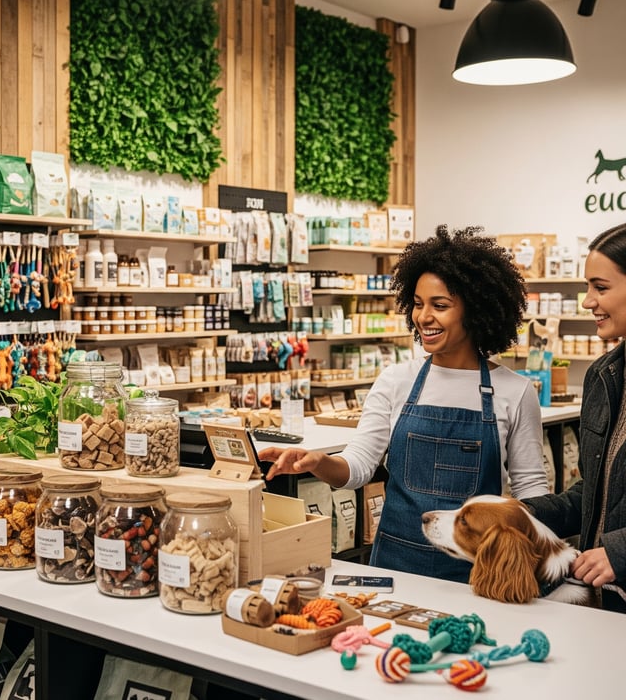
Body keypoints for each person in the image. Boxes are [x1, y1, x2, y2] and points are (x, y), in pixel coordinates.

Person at [259, 225, 548, 582]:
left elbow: (532, 493)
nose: (423, 317)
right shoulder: (397, 380)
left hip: (478, 574)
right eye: (417, 303)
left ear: (476, 310)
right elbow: (359, 466)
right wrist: (317, 462)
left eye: (439, 306)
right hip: (396, 566)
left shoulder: (514, 391)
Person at [524, 223, 626, 613]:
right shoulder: (603, 377)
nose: (587, 302)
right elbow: (594, 493)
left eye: (600, 288)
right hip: (604, 604)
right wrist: (528, 512)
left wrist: (619, 551)